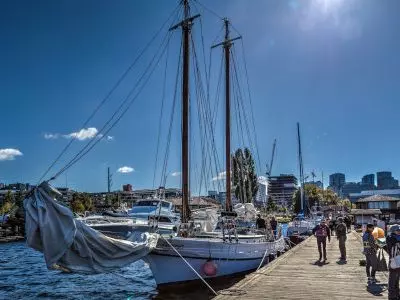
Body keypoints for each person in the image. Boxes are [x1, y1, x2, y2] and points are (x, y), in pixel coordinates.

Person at [386, 224, 400, 300]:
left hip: (398, 262)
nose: (399, 231)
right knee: (392, 281)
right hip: (393, 262)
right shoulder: (391, 238)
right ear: (393, 231)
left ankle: (397, 295)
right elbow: (393, 241)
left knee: (397, 280)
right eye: (398, 230)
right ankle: (392, 296)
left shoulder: (393, 238)